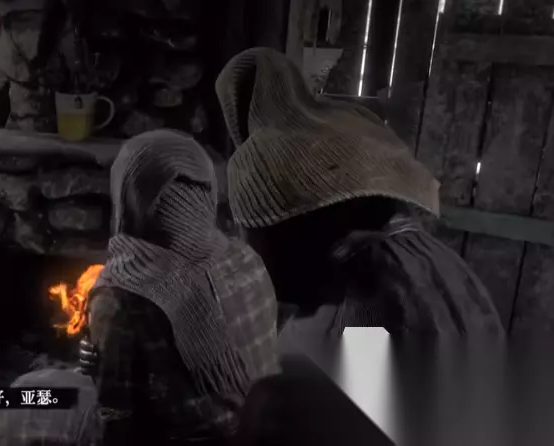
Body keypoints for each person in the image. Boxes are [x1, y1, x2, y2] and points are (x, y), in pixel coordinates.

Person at [0, 130, 280, 446]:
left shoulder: (123, 295)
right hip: (254, 429)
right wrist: (106, 361)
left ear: (130, 197)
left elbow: (115, 421)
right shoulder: (246, 259)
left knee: (23, 397)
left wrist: (105, 361)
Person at [214, 47, 504, 337]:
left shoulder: (256, 162)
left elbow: (273, 274)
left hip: (366, 291)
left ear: (232, 107)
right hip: (429, 263)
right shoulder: (346, 117)